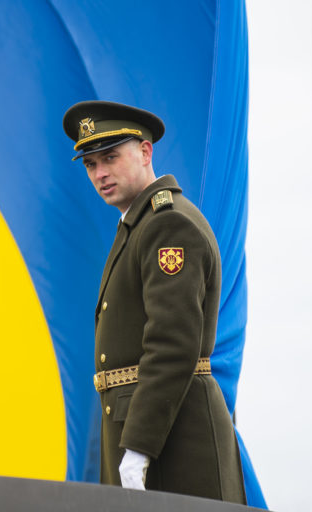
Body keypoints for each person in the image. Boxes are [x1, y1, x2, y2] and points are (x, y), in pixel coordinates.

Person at [62, 100, 246, 503]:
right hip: (145, 434)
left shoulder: (167, 223)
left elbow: (172, 344)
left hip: (172, 441)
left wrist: (140, 446)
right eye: (91, 164)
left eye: (110, 157)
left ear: (146, 152)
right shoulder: (139, 224)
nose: (100, 173)